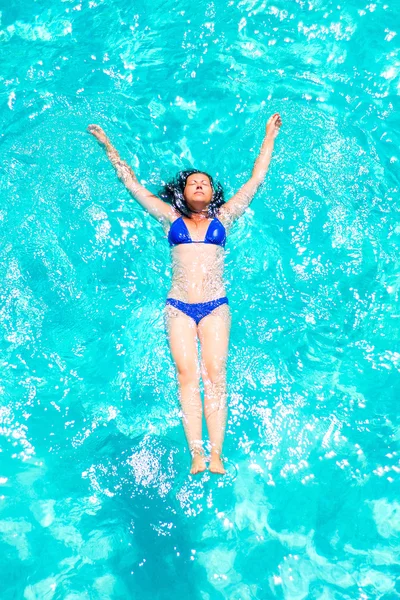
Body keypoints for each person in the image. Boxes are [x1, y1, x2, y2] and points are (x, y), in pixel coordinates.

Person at [88, 112, 282, 475]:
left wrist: (268, 136)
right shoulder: (169, 219)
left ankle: (218, 454)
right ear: (183, 191)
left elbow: (256, 180)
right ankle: (196, 452)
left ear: (212, 192)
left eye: (204, 183)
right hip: (178, 306)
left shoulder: (224, 218)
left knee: (215, 375)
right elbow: (133, 187)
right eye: (192, 182)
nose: (198, 185)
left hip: (214, 307)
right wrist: (107, 146)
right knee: (186, 374)